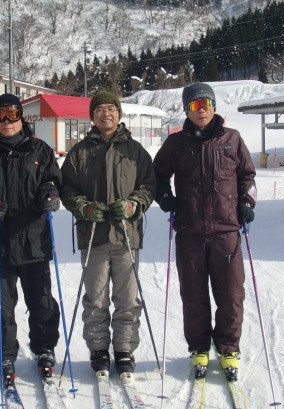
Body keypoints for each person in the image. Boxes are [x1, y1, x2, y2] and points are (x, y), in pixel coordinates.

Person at [153, 82, 257, 382]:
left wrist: (246, 202)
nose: (202, 111)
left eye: (207, 104)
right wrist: (166, 198)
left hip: (226, 230)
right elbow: (157, 176)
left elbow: (248, 176)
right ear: (187, 109)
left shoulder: (231, 139)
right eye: (196, 106)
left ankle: (228, 348)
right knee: (194, 294)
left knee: (231, 294)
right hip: (190, 231)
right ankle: (198, 347)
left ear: (214, 107)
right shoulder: (176, 143)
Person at [0, 94, 62, 384]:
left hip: (34, 240)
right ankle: (4, 353)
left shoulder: (40, 149)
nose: (6, 121)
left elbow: (54, 181)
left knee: (41, 300)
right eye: (0, 115)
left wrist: (51, 193)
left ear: (21, 117)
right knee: (2, 304)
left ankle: (44, 348)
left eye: (12, 114)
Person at [60, 89, 156, 374]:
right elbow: (67, 188)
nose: (106, 113)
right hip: (93, 236)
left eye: (111, 108)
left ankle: (124, 349)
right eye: (100, 109)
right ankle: (99, 349)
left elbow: (148, 185)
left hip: (127, 235)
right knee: (96, 299)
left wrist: (133, 204)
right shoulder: (79, 152)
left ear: (118, 114)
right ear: (92, 116)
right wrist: (83, 207)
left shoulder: (135, 151)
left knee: (128, 299)